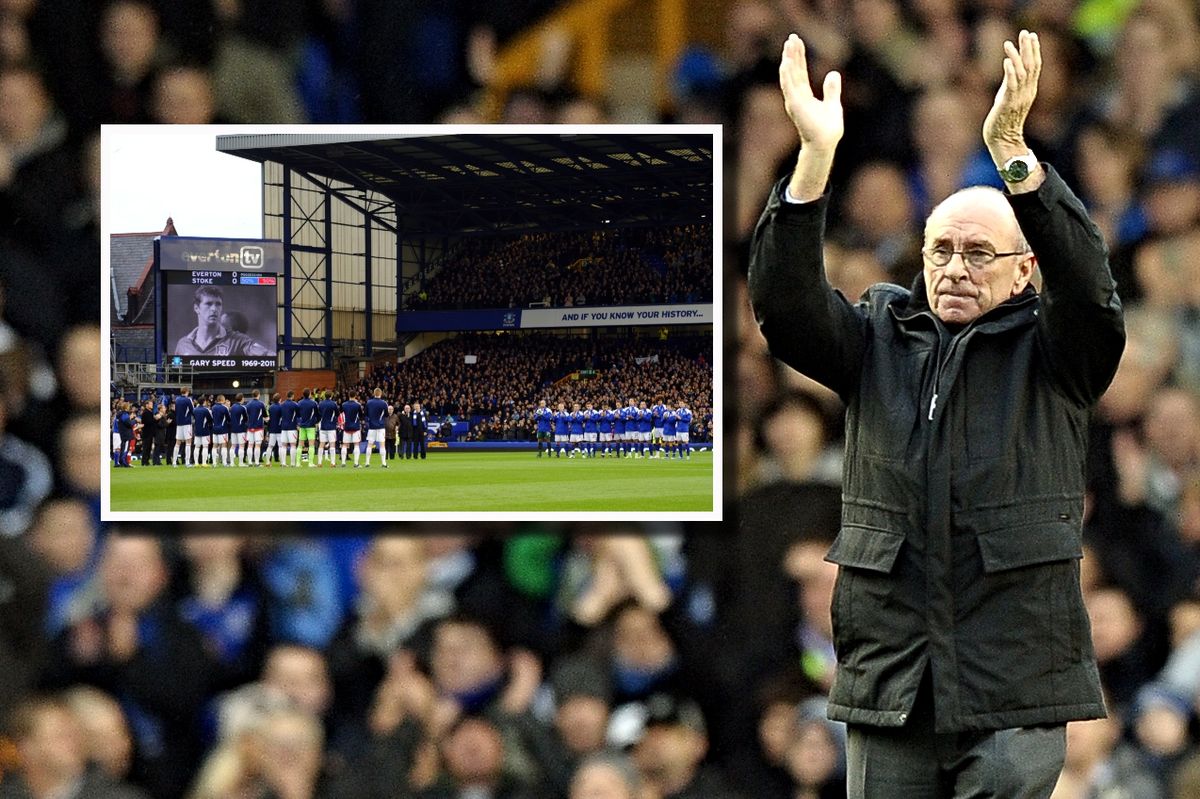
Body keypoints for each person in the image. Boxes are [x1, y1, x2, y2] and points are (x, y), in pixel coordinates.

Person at [747, 31, 1125, 798]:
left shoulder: (1057, 350)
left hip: (1014, 682)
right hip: (895, 683)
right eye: (939, 249)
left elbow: (1090, 292)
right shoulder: (876, 337)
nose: (954, 267)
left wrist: (1015, 155)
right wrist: (813, 164)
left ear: (1026, 268)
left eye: (978, 253)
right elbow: (784, 309)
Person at [173, 286, 271, 357]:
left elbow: (268, 355)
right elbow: (175, 374)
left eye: (218, 304)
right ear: (196, 308)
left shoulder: (238, 340)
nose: (214, 309)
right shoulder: (183, 344)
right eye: (208, 304)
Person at [364, 387, 389, 468]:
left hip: (371, 426)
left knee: (370, 444)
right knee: (382, 445)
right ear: (380, 394)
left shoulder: (369, 402)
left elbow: (366, 414)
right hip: (381, 426)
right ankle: (384, 463)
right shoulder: (384, 403)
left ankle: (367, 463)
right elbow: (386, 415)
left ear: (374, 393)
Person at [296, 387, 319, 467]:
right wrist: (316, 421)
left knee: (300, 444)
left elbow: (297, 415)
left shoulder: (299, 403)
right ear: (309, 394)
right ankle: (310, 463)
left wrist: (299, 423)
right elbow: (317, 414)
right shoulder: (313, 403)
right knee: (311, 444)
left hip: (302, 426)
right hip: (311, 426)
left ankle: (298, 463)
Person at [172, 386, 194, 467]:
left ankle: (174, 462)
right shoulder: (188, 400)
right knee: (188, 442)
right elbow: (192, 411)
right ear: (187, 391)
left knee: (178, 442)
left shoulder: (177, 400)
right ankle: (187, 462)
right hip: (186, 423)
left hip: (179, 423)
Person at [317, 390, 340, 467]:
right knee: (332, 444)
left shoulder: (320, 404)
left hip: (323, 426)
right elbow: (337, 414)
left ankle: (319, 463)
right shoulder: (333, 404)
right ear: (331, 396)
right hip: (331, 426)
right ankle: (332, 463)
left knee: (321, 444)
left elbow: (318, 414)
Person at [341, 391, 363, 467]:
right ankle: (356, 463)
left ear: (348, 395)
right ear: (355, 396)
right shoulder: (358, 405)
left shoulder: (344, 405)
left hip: (346, 426)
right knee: (356, 445)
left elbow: (340, 414)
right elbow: (361, 416)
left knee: (344, 445)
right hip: (355, 427)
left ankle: (343, 463)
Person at [245, 389, 267, 466]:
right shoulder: (261, 404)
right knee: (257, 445)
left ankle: (250, 462)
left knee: (250, 445)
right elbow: (265, 416)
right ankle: (257, 462)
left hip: (250, 427)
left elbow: (246, 415)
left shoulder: (248, 404)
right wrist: (267, 418)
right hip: (258, 427)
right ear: (258, 395)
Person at [278, 390, 299, 468]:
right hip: (292, 427)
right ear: (292, 396)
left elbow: (280, 415)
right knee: (293, 445)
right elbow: (298, 415)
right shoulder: (295, 405)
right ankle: (292, 463)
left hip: (283, 428)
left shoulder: (281, 405)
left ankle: (283, 463)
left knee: (284, 445)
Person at [192, 395, 213, 468]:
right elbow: (210, 420)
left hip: (197, 430)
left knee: (197, 447)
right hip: (205, 431)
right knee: (205, 447)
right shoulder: (206, 410)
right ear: (204, 402)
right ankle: (204, 463)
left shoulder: (195, 410)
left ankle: (196, 463)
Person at [210, 394, 230, 467]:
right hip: (223, 429)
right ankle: (224, 463)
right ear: (222, 400)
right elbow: (228, 418)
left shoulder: (213, 407)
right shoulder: (225, 408)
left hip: (215, 429)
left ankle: (214, 463)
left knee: (214, 446)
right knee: (224, 445)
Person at [229, 393, 248, 466]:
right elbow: (246, 418)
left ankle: (232, 463)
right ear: (242, 399)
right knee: (241, 446)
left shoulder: (232, 407)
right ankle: (241, 463)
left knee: (233, 446)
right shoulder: (243, 408)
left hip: (233, 429)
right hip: (241, 429)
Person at [138, 399, 159, 466]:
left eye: (152, 404)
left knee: (148, 448)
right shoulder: (146, 412)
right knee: (146, 448)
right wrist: (155, 419)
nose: (152, 405)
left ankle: (146, 461)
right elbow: (148, 422)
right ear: (146, 405)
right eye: (150, 404)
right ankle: (144, 461)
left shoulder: (150, 412)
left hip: (150, 433)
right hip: (146, 433)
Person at [265, 392, 283, 467]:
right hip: (279, 429)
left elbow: (268, 419)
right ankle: (282, 463)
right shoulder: (281, 407)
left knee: (270, 446)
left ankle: (267, 462)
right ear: (280, 399)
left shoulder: (270, 407)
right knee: (281, 446)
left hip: (272, 429)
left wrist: (268, 431)